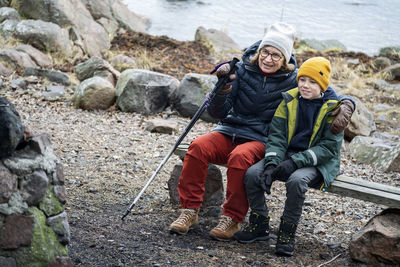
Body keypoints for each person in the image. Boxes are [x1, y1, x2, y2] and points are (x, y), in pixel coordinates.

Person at [169, 22, 354, 241]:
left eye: (276, 55)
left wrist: (348, 103)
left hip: (261, 138)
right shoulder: (241, 70)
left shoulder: (292, 78)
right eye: (265, 52)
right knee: (198, 146)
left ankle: (232, 218)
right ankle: (189, 211)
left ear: (285, 59)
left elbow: (324, 89)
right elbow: (218, 112)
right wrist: (223, 88)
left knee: (240, 157)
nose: (268, 59)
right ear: (259, 51)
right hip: (229, 129)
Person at [233, 57, 344, 257]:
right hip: (288, 155)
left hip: (318, 161)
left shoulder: (333, 109)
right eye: (302, 80)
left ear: (323, 86)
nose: (305, 85)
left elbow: (328, 149)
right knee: (252, 174)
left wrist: (294, 162)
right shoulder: (289, 100)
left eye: (312, 82)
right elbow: (277, 136)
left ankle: (287, 232)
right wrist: (272, 164)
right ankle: (259, 224)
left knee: (296, 180)